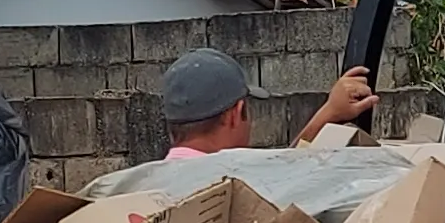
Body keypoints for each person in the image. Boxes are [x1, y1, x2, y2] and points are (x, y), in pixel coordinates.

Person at [156, 50, 380, 159]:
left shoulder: (143, 185)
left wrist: (330, 112)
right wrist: (330, 111)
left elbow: (284, 166)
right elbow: (287, 174)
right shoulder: (233, 184)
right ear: (236, 114)